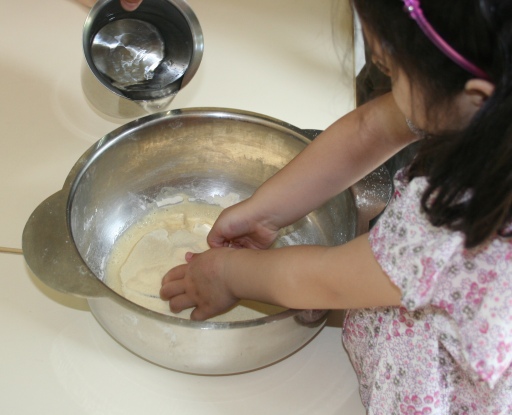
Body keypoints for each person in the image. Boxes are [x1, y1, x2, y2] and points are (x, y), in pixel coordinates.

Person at [160, 0, 512, 412]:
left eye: (393, 70)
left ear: (476, 98)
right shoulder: (480, 98)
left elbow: (330, 281)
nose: (388, 79)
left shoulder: (462, 219)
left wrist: (227, 274)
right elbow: (372, 127)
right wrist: (267, 210)